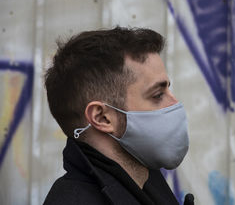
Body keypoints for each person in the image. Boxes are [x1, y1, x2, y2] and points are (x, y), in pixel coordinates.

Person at [43, 27, 194, 205]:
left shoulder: (143, 184)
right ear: (102, 118)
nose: (174, 103)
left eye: (169, 89)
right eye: (157, 95)